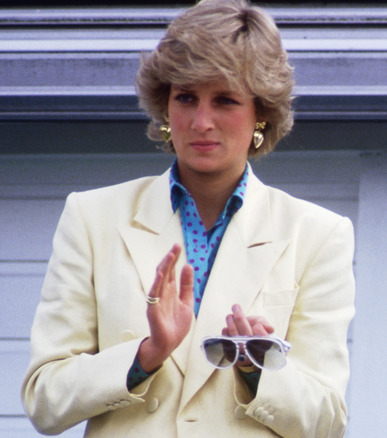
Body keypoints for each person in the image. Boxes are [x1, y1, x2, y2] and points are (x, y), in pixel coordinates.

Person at [22, 1, 355, 437]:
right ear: (164, 106)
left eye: (225, 100)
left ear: (262, 114)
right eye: (186, 98)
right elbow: (44, 400)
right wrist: (145, 355)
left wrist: (256, 367)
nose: (201, 121)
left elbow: (328, 420)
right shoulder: (91, 217)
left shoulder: (317, 234)